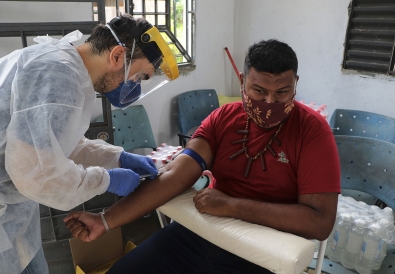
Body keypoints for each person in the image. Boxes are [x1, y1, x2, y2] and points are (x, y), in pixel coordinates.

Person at [65, 39, 341, 274]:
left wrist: (232, 206)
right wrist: (105, 220)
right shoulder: (224, 118)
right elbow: (175, 176)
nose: (270, 103)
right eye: (259, 91)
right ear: (243, 82)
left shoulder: (313, 132)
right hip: (203, 232)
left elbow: (319, 223)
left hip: (264, 247)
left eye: (282, 92)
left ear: (296, 84)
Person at [0, 13, 178, 274]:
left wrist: (118, 158)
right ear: (116, 56)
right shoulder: (57, 76)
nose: (135, 87)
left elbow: (55, 144)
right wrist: (106, 180)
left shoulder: (71, 71)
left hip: (8, 207)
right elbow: (35, 173)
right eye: (139, 77)